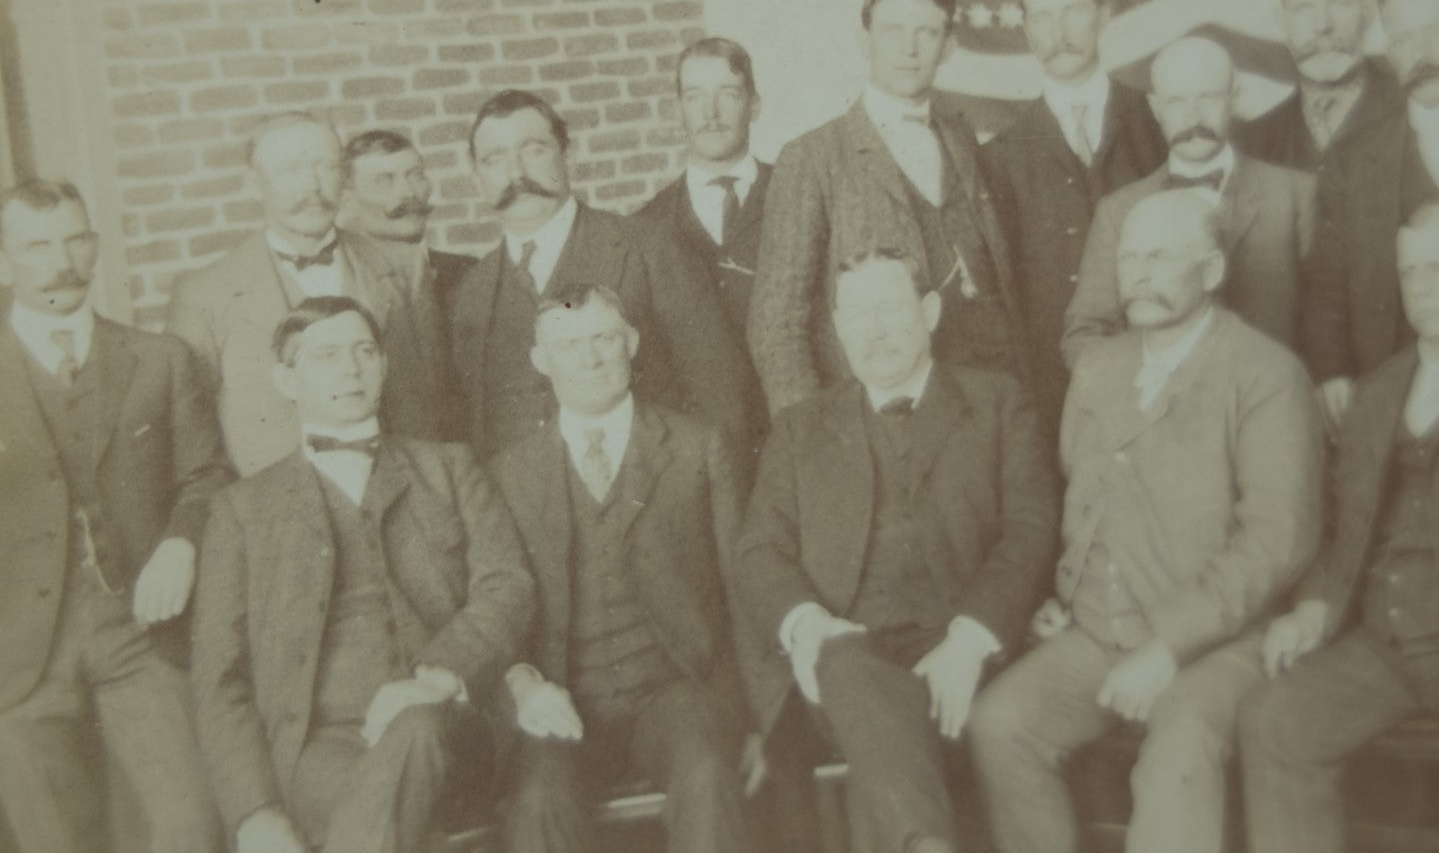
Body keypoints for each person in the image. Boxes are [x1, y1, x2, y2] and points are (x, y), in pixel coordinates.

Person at [969, 190, 1323, 853]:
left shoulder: (1265, 375)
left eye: (1158, 257)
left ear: (1212, 271)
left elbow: (1277, 538)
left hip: (1217, 644)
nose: (1136, 273)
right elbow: (1073, 497)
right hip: (1097, 631)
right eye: (1127, 257)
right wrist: (1058, 595)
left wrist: (1166, 649)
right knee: (1000, 724)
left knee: (1177, 755)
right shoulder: (1099, 369)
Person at [736, 250, 1059, 853]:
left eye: (888, 307)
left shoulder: (996, 402)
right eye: (854, 314)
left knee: (877, 756)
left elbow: (1031, 526)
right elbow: (759, 551)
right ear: (836, 328)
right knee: (842, 659)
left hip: (967, 645)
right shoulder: (800, 428)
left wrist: (970, 638)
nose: (873, 329)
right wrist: (805, 623)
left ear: (930, 311)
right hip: (853, 654)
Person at [191, 295, 534, 853]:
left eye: (364, 351)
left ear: (385, 365)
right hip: (320, 745)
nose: (351, 369)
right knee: (377, 808)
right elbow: (218, 676)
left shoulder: (448, 467)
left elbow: (507, 586)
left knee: (417, 731)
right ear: (286, 379)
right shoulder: (244, 510)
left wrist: (435, 677)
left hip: (451, 721)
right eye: (326, 355)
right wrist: (255, 812)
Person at [0, 179, 229, 853]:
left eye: (74, 240)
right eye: (36, 246)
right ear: (6, 255)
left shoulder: (158, 359)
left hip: (138, 630)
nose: (60, 262)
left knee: (189, 821)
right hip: (17, 650)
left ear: (96, 247)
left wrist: (181, 543)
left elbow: (207, 475)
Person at [489, 284, 756, 853]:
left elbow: (745, 594)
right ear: (541, 360)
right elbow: (494, 609)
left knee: (708, 774)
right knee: (537, 803)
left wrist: (758, 720)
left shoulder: (696, 447)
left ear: (631, 343)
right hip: (563, 700)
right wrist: (522, 683)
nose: (590, 359)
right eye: (568, 345)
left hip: (676, 692)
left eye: (604, 338)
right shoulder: (508, 475)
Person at [1240, 202, 1439, 853]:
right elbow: (1345, 525)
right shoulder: (1382, 388)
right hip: (1383, 642)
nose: (1424, 286)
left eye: (1437, 267)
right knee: (1275, 722)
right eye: (1410, 272)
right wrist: (1314, 607)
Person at [749, 0, 1026, 416]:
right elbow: (777, 326)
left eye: (927, 33)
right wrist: (810, 442)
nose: (909, 49)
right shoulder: (813, 158)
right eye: (893, 32)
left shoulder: (960, 135)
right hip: (881, 415)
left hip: (990, 396)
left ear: (948, 47)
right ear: (864, 41)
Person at [447, 89, 754, 460]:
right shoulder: (470, 294)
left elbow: (720, 395)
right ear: (476, 176)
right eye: (494, 159)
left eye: (534, 150)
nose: (516, 173)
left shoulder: (648, 249)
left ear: (568, 155)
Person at [167, 112, 444, 475]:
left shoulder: (405, 268)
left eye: (325, 167)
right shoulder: (203, 294)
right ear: (254, 184)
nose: (312, 186)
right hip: (274, 518)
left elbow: (436, 405)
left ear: (343, 178)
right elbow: (195, 450)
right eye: (291, 170)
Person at [983, 0, 1167, 426]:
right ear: (1025, 32)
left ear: (1103, 16)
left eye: (1073, 10)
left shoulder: (1157, 122)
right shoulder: (1000, 157)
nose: (1059, 31)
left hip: (1164, 366)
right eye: (1042, 17)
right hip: (1060, 391)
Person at [1063, 36, 1314, 365]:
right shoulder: (1117, 211)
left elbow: (1326, 326)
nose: (1193, 117)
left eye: (1207, 98)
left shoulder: (1295, 194)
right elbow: (1085, 333)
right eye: (1176, 102)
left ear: (1233, 98)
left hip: (1268, 404)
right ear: (1155, 108)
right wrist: (1142, 388)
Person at [1303, 0, 1439, 433]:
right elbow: (1327, 278)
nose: (1421, 52)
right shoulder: (1355, 158)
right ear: (1388, 52)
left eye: (1434, 30)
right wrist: (1332, 369)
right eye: (1403, 39)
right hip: (1392, 391)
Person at [637, 37, 771, 341]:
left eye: (728, 94)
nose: (711, 113)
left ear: (754, 106)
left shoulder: (796, 193)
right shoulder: (647, 224)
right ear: (678, 111)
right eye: (695, 97)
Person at [1236, 0, 1399, 175]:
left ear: (1368, 10)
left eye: (1339, 4)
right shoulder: (1254, 142)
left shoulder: (1414, 110)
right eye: (1303, 8)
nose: (1322, 25)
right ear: (1282, 21)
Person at [340, 127, 477, 313]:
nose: (409, 193)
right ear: (346, 199)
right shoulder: (339, 281)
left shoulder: (471, 274)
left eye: (416, 175)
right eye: (384, 180)